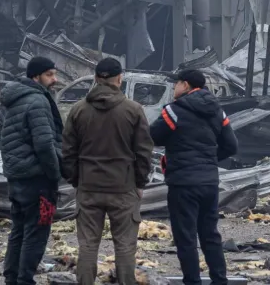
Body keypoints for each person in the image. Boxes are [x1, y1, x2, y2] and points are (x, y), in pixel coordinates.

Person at [62, 58, 153, 285]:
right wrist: (140, 184)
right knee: (124, 245)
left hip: (89, 186)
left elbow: (68, 152)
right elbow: (143, 152)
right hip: (123, 187)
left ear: (95, 78)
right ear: (120, 79)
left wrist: (76, 181)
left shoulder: (78, 110)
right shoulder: (133, 110)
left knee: (88, 245)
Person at [150, 70, 238, 285]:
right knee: (210, 235)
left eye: (176, 83)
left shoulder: (173, 111)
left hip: (183, 184)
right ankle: (220, 280)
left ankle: (193, 281)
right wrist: (207, 159)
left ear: (186, 85)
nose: (174, 88)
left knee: (186, 237)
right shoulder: (218, 111)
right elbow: (231, 146)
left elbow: (153, 136)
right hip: (209, 182)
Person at [0, 56, 65, 285]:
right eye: (49, 75)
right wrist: (55, 174)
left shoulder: (11, 99)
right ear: (35, 76)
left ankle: (11, 278)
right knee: (36, 233)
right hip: (37, 179)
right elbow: (45, 144)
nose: (54, 80)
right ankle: (25, 280)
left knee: (18, 231)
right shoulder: (37, 101)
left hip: (16, 176)